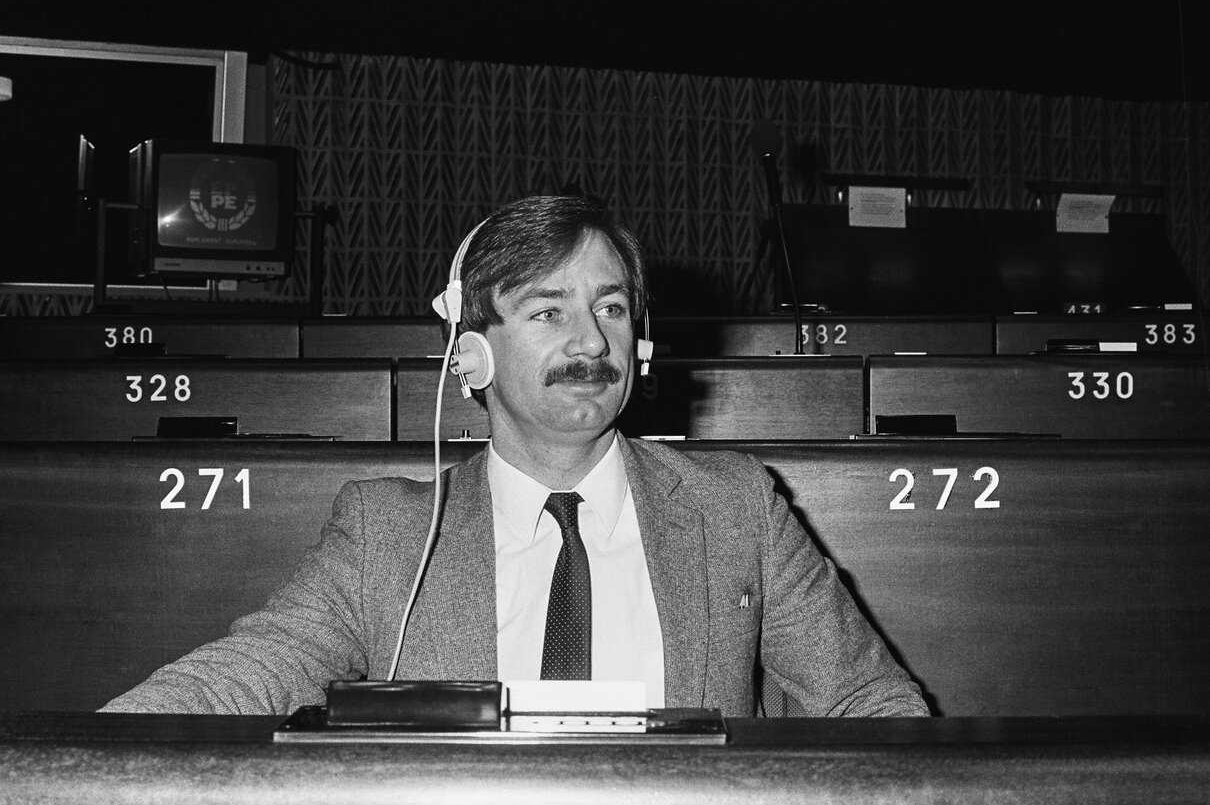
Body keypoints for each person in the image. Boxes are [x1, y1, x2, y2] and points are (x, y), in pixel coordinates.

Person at [103, 195, 928, 717]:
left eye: (611, 307)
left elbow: (870, 698)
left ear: (642, 344)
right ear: (473, 354)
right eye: (548, 311)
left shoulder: (735, 505)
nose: (591, 338)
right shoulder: (387, 531)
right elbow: (249, 673)